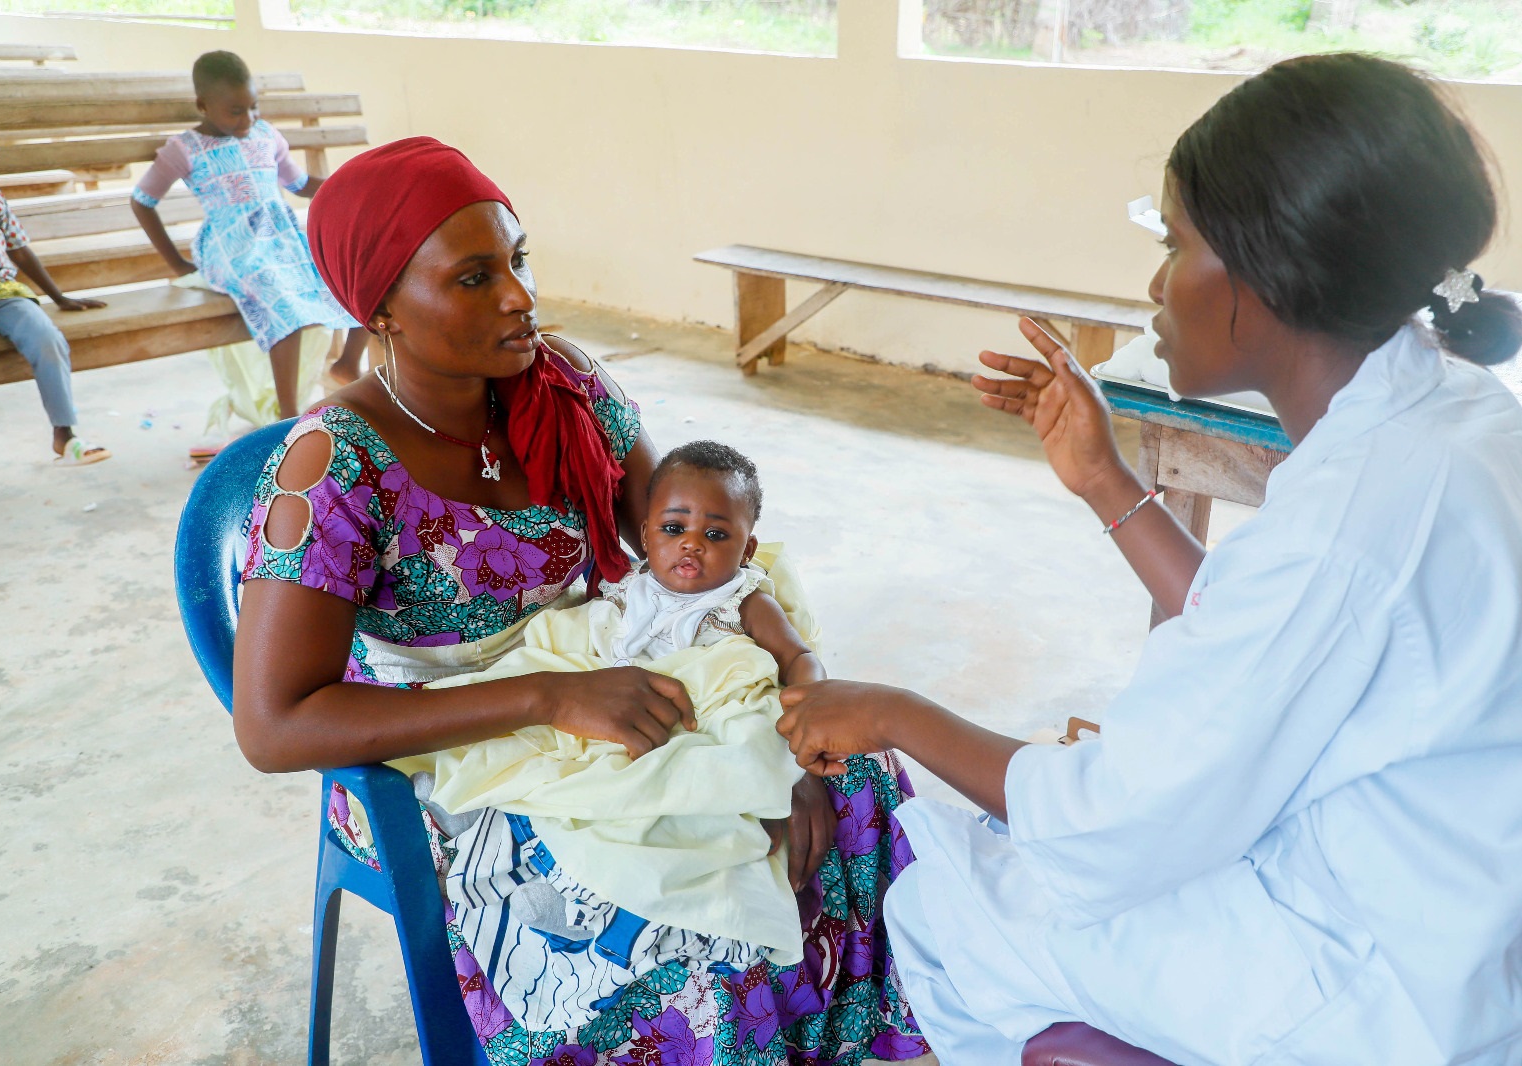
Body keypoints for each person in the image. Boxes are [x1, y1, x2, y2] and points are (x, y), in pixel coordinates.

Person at [776, 53, 1522, 1065]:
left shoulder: (1354, 515)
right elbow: (1262, 632)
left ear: (1259, 277)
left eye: (1172, 243)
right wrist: (1102, 478)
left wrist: (888, 713)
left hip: (1372, 987)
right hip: (1449, 924)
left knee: (945, 900)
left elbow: (1110, 825)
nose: (1152, 284)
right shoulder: (1443, 413)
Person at [232, 137, 926, 1065]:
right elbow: (275, 726)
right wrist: (549, 698)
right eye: (475, 278)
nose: (520, 297)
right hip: (444, 753)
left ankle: (846, 1040)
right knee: (679, 920)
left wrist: (777, 725)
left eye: (517, 261)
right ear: (384, 307)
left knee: (855, 784)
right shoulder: (331, 467)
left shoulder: (562, 385)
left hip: (613, 674)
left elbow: (687, 558)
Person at [407, 441, 831, 1032]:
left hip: (699, 701)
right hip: (609, 691)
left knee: (726, 780)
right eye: (674, 528)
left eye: (716, 535)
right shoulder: (632, 585)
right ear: (647, 533)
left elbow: (797, 657)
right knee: (547, 719)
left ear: (747, 548)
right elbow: (594, 639)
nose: (691, 545)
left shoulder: (743, 600)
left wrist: (808, 723)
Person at [130, 50, 366, 426]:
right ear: (203, 105)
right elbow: (142, 201)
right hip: (230, 246)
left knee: (354, 268)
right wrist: (176, 263)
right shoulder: (184, 149)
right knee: (277, 295)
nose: (249, 118)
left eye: (253, 107)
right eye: (236, 110)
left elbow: (300, 184)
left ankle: (347, 364)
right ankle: (288, 418)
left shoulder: (266, 135)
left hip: (281, 237)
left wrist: (350, 186)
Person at [0, 130, 111, 465]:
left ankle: (65, 434)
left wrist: (59, 297)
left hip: (3, 294)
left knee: (47, 339)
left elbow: (18, 248)